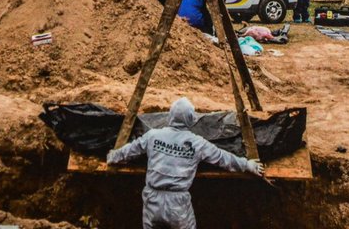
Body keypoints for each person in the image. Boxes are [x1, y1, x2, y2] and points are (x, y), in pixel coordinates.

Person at [107, 97, 264, 229]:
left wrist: (113, 156)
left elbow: (130, 150)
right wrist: (247, 165)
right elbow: (222, 158)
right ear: (191, 119)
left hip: (152, 199)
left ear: (170, 116)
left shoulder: (153, 135)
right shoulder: (196, 143)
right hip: (177, 203)